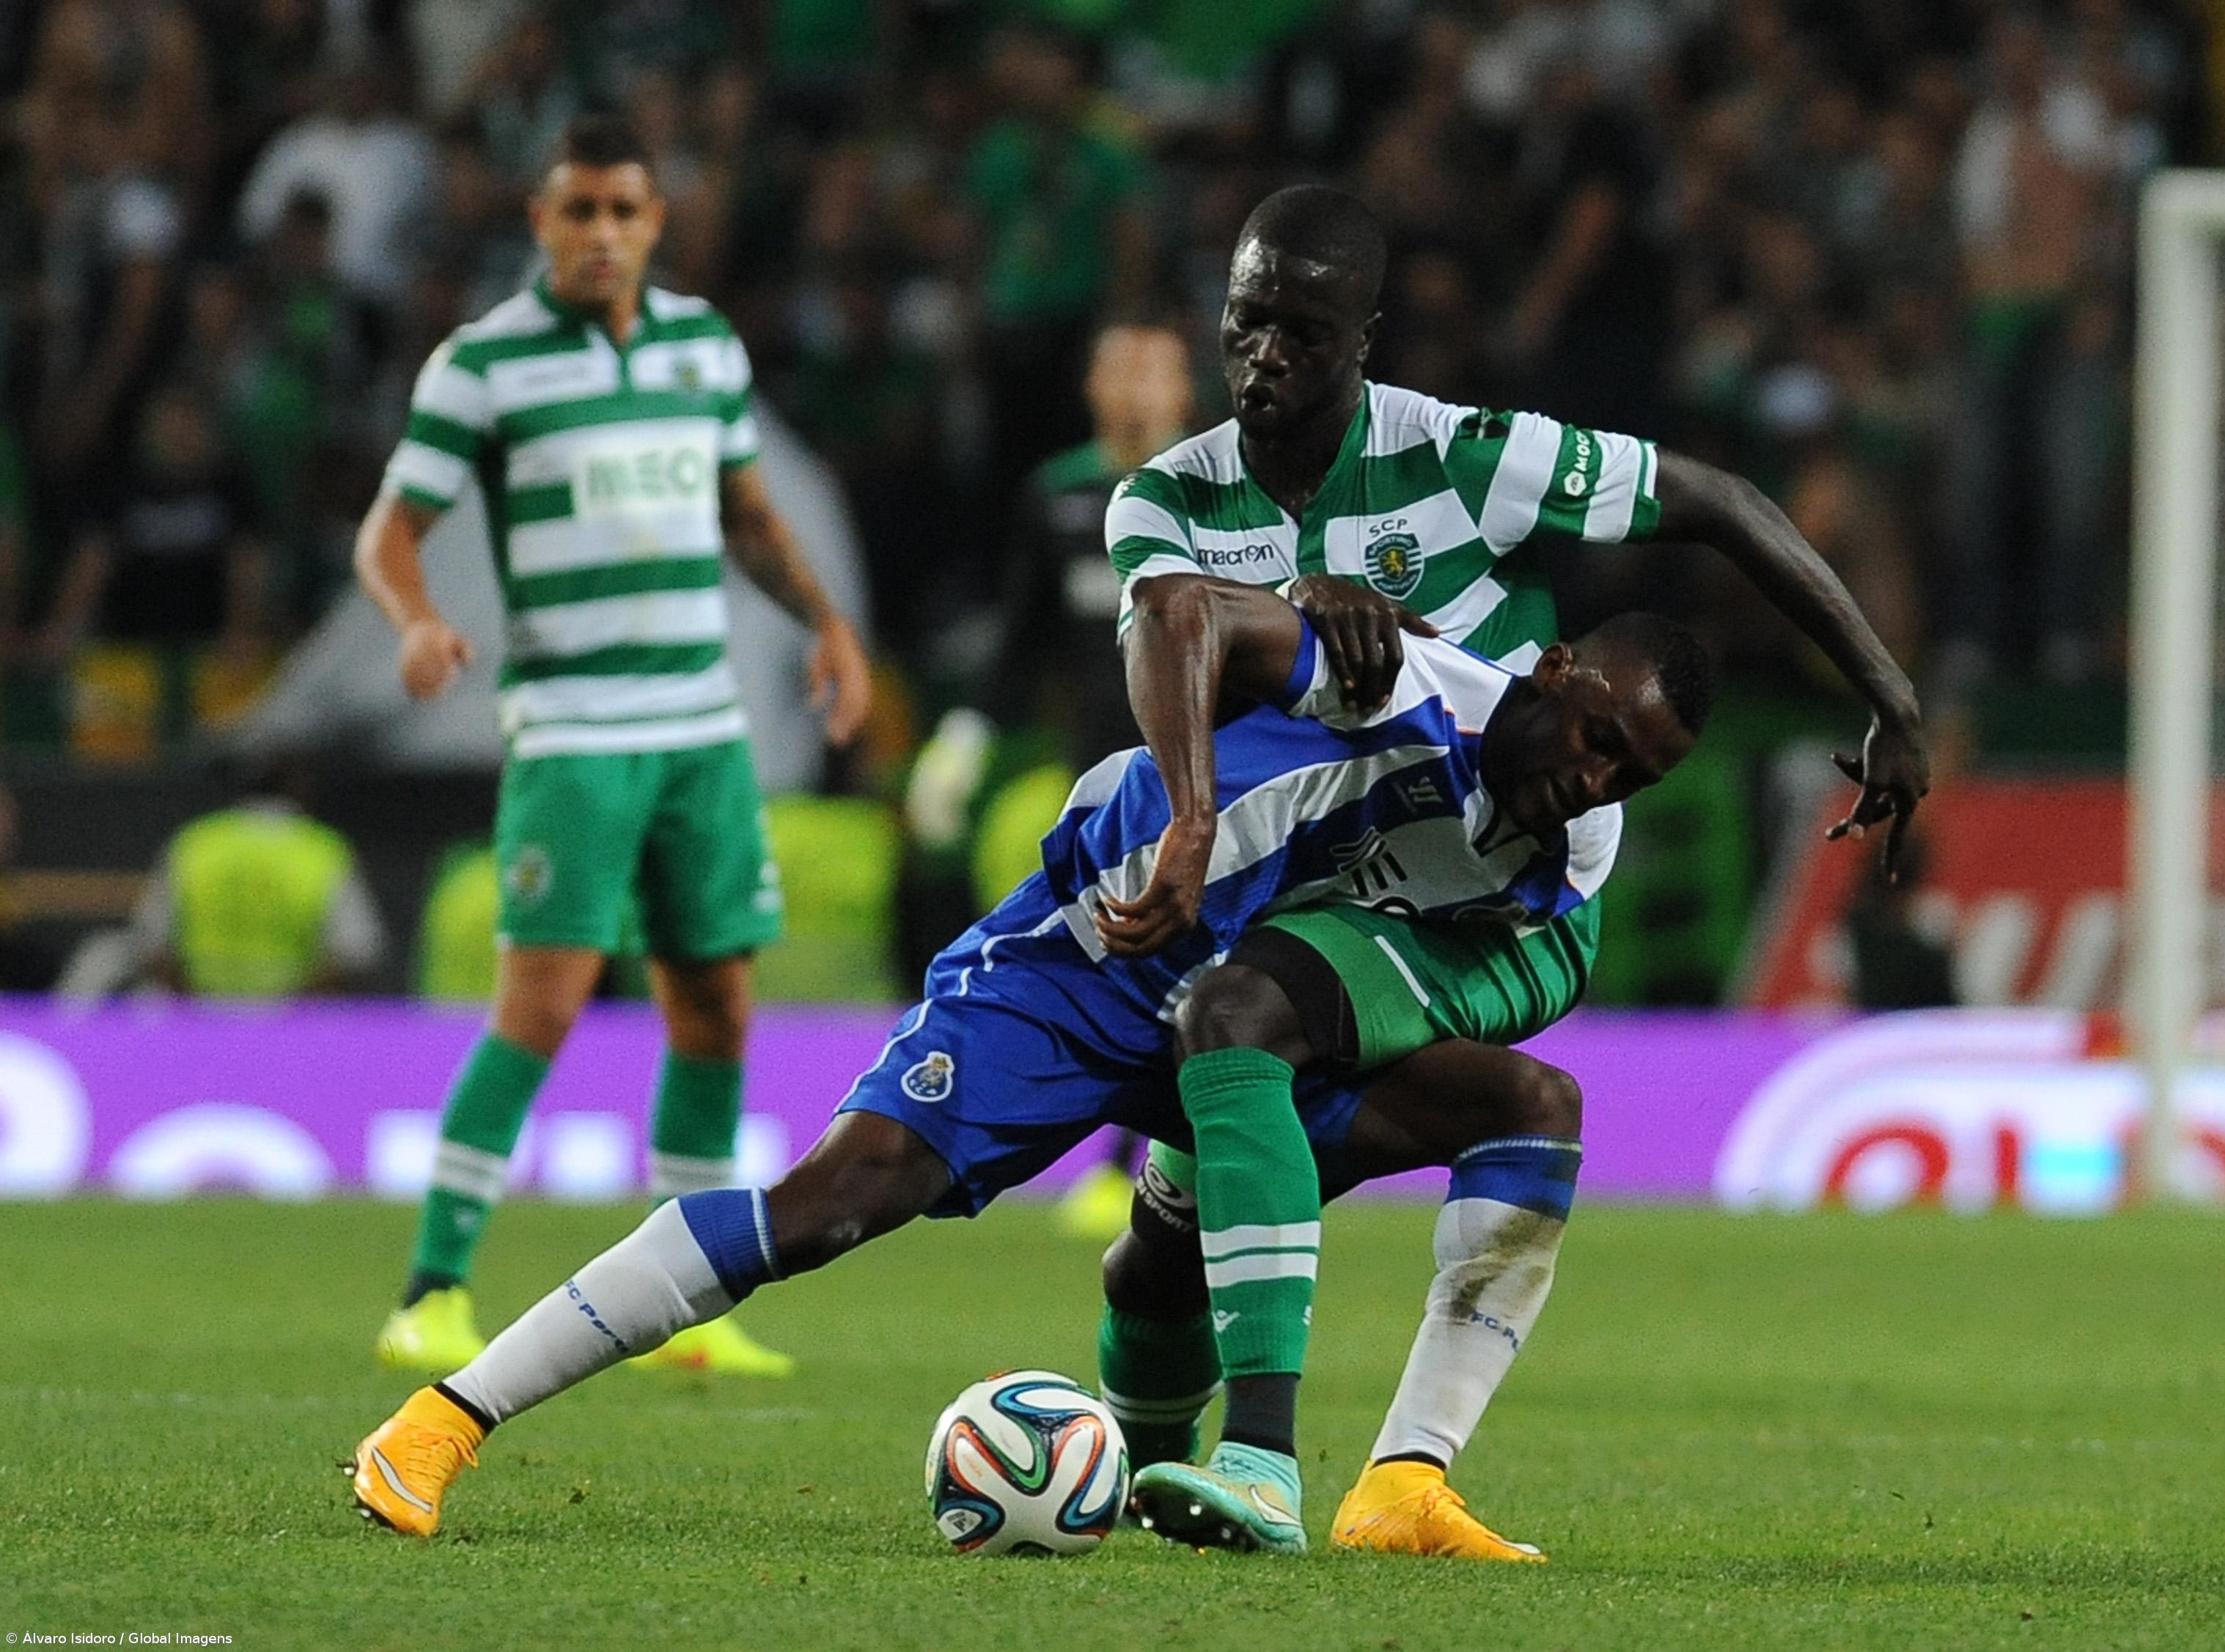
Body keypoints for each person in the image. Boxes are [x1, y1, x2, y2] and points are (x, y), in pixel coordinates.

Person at [346, 583, 1707, 1542]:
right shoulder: (1393, 679)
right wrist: (1207, 784)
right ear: (1551, 672)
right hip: (1083, 958)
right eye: (1599, 738)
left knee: (1528, 1105)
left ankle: (1392, 1481)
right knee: (833, 1202)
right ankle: (445, 1418)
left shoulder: (1569, 844)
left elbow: (1538, 964)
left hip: (1250, 1007)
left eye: (1632, 773)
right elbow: (1178, 613)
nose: (1598, 780)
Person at [1091, 184, 1927, 1558]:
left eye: (1307, 327)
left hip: (1500, 898)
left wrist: (1890, 695)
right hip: (1309, 872)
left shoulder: (1466, 457)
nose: (1269, 353)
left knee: (1237, 1030)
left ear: (1364, 337)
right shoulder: (1173, 494)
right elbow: (1170, 649)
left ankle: (1289, 1463)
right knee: (1180, 1223)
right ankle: (1202, 1476)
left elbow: (1720, 501)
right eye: (1250, 321)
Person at [355, 114, 872, 1379]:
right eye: (578, 209)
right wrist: (414, 620)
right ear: (541, 220)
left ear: (655, 221)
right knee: (542, 1003)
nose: (601, 233)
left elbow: (746, 517)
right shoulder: (484, 364)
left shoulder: (703, 347)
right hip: (573, 730)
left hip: (702, 728)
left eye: (623, 210)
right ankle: (430, 1291)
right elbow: (390, 529)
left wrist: (826, 624)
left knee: (717, 1005)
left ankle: (684, 1304)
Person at [900, 317, 1195, 1238]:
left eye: (1153, 372)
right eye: (1121, 371)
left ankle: (1127, 1166)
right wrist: (962, 740)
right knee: (1117, 970)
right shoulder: (1059, 496)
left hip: (1207, 778)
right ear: (1092, 388)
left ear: (1185, 390)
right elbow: (1021, 641)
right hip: (1100, 789)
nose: (1136, 392)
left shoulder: (1224, 491)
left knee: (1177, 969)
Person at [128, 761, 386, 997]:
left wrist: (198, 1004)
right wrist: (287, 1007)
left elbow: (150, 944)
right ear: (299, 788)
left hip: (202, 1017)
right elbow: (357, 951)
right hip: (294, 1024)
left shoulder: (196, 842)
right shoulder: (323, 850)